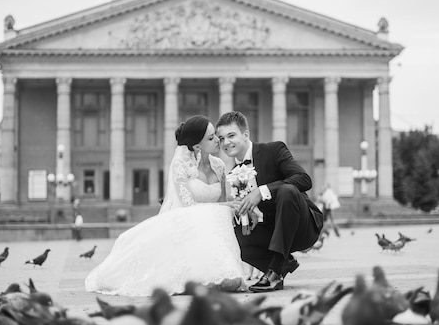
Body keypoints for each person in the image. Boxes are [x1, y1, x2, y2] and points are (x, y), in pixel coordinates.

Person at [85, 115, 246, 296]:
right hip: (189, 228)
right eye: (211, 138)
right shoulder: (180, 165)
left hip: (215, 231)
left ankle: (217, 271)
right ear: (197, 146)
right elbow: (188, 206)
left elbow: (221, 204)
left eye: (216, 135)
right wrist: (227, 206)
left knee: (232, 280)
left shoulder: (219, 165)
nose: (219, 140)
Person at [216, 111, 324, 293]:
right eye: (221, 138)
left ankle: (274, 271)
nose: (226, 142)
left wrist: (262, 191)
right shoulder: (234, 172)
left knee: (287, 190)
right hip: (271, 231)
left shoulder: (273, 150)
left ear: (246, 135)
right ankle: (281, 264)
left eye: (231, 135)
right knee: (231, 235)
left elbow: (304, 179)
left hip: (302, 227)